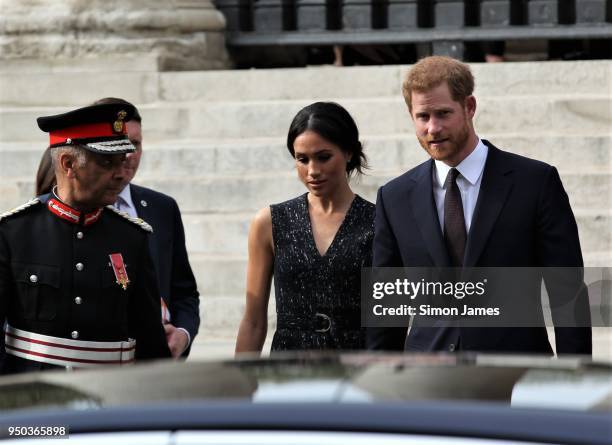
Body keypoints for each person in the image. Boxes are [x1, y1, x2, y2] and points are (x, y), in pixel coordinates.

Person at [368, 56, 592, 355]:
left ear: (469, 107)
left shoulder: (535, 182)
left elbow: (567, 291)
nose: (433, 128)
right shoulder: (394, 197)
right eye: (423, 116)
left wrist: (574, 380)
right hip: (427, 379)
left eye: (443, 113)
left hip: (516, 372)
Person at [0, 103, 171, 373]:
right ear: (68, 165)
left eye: (121, 161)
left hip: (108, 402)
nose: (120, 173)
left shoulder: (132, 237)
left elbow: (151, 343)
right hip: (34, 403)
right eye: (106, 163)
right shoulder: (13, 233)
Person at [235, 102, 375, 354]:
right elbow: (254, 322)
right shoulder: (269, 222)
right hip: (288, 371)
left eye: (323, 157)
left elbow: (391, 321)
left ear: (349, 153)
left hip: (359, 371)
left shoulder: (380, 222)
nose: (313, 171)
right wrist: (237, 387)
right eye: (302, 159)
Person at [92, 97, 200, 359]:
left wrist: (182, 335)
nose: (128, 153)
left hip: (154, 364)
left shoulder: (162, 207)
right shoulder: (75, 211)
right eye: (119, 144)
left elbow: (183, 291)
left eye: (136, 143)